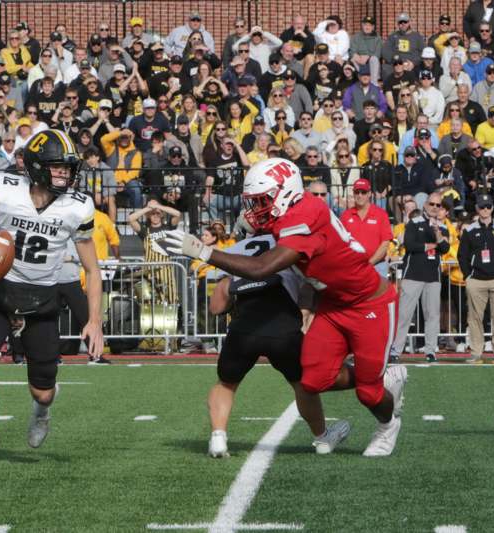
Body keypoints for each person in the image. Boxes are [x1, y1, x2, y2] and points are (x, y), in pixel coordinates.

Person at [165, 158, 408, 457]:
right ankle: (378, 381)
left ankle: (387, 425)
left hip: (369, 304)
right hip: (333, 305)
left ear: (286, 193)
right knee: (312, 380)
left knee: (368, 393)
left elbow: (260, 268)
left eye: (262, 201)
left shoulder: (305, 215)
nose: (257, 208)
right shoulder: (290, 211)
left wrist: (203, 251)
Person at [0, 129, 103, 472]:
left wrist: (94, 320)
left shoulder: (77, 207)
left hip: (41, 301)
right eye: (58, 167)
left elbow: (92, 270)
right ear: (37, 167)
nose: (65, 174)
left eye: (68, 168)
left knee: (43, 393)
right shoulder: (6, 192)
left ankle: (42, 410)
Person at [207, 231, 347, 457]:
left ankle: (218, 438)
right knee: (301, 384)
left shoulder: (235, 249)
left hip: (245, 327)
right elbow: (317, 282)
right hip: (283, 326)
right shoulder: (291, 244)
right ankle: (322, 438)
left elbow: (217, 305)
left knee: (226, 384)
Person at [390, 192, 449, 363]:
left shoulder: (443, 227)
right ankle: (396, 350)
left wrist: (437, 234)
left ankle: (431, 350)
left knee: (432, 315)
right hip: (413, 275)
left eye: (438, 205)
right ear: (425, 205)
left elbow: (445, 248)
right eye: (432, 204)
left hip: (433, 276)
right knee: (404, 315)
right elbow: (409, 244)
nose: (435, 208)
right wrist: (430, 245)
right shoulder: (414, 223)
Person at [458, 193, 494, 363]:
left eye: (488, 206)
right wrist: (469, 276)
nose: (485, 210)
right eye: (482, 207)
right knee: (474, 318)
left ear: (492, 208)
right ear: (476, 208)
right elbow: (462, 256)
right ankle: (476, 352)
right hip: (476, 280)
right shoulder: (469, 230)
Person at [340, 177, 393, 278]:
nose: (360, 195)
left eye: (363, 192)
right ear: (353, 193)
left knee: (378, 294)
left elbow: (385, 243)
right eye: (357, 192)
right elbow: (341, 243)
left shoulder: (381, 214)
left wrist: (369, 264)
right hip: (353, 268)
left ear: (369, 194)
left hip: (377, 266)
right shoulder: (346, 215)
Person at [349, 16, 382, 85]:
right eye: (365, 25)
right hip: (359, 62)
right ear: (362, 26)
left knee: (374, 59)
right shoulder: (356, 37)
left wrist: (368, 57)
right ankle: (361, 79)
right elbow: (352, 50)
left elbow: (378, 53)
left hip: (370, 63)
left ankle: (374, 83)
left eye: (370, 25)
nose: (367, 27)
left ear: (373, 27)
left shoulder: (377, 38)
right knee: (353, 59)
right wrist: (357, 57)